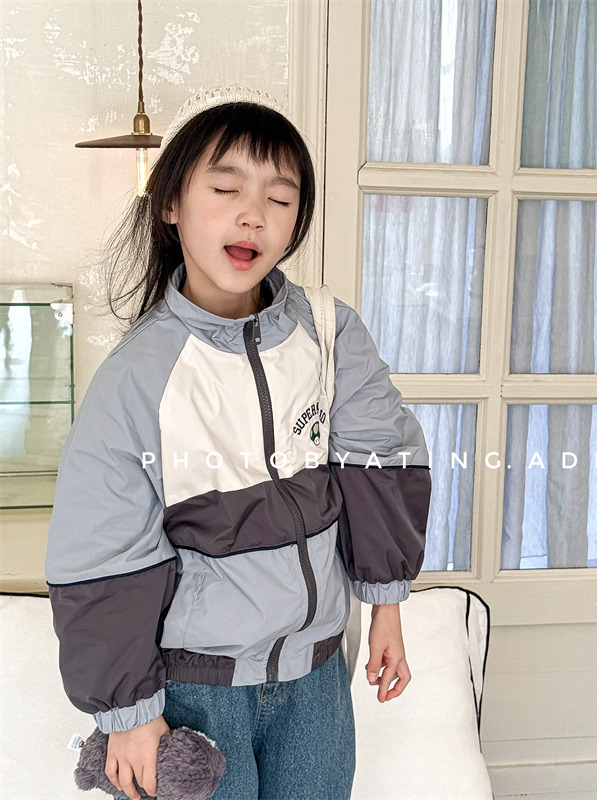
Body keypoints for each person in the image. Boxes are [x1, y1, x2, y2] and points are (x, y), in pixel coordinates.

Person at [44, 84, 432, 800]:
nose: (253, 213)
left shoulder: (329, 331)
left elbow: (381, 460)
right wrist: (130, 714)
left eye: (280, 198)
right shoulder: (137, 377)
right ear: (170, 204)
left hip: (317, 676)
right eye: (225, 189)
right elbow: (103, 554)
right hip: (197, 689)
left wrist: (386, 605)